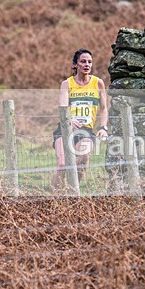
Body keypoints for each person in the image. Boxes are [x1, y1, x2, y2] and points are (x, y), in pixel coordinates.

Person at [52, 48, 109, 190]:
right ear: (75, 65)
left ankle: (73, 191)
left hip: (86, 131)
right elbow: (63, 106)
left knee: (83, 159)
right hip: (66, 129)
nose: (87, 64)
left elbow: (103, 108)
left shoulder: (98, 83)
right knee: (62, 164)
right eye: (83, 61)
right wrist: (69, 119)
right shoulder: (67, 84)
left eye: (89, 62)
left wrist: (103, 127)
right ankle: (56, 193)